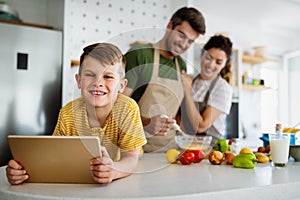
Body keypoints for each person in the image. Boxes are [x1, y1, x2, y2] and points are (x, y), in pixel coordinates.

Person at [6, 43, 147, 185]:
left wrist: (114, 170)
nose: (98, 82)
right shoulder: (68, 113)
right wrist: (22, 171)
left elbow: (131, 158)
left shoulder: (128, 109)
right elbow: (54, 155)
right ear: (79, 81)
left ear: (121, 86)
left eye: (108, 77)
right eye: (90, 75)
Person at [123, 7, 206, 152]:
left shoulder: (180, 64)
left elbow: (176, 111)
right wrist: (147, 123)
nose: (184, 44)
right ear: (169, 26)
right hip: (135, 149)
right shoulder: (140, 55)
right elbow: (117, 106)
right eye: (181, 35)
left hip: (169, 151)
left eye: (190, 42)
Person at [180, 34, 233, 142]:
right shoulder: (191, 80)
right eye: (209, 58)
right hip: (186, 146)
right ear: (202, 54)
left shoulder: (223, 88)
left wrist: (187, 92)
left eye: (218, 62)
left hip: (210, 152)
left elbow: (201, 126)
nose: (211, 65)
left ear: (224, 64)